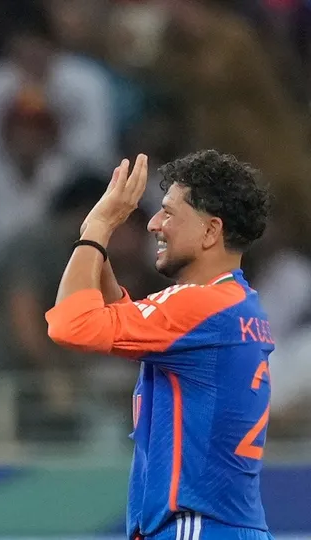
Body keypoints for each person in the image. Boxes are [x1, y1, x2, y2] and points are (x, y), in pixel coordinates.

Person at [46, 150, 274, 540]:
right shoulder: (234, 303)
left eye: (168, 212)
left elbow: (71, 325)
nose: (153, 224)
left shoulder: (198, 305)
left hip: (195, 527)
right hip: (225, 526)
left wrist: (98, 227)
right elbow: (125, 317)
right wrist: (96, 232)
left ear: (210, 231)